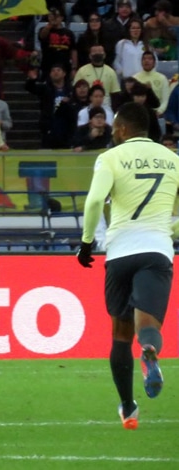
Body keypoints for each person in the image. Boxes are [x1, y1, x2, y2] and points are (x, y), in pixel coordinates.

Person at [77, 102, 178, 430]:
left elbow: (94, 201)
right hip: (156, 250)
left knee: (120, 334)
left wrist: (87, 242)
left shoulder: (109, 158)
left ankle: (128, 406)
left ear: (120, 129)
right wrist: (170, 229)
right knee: (147, 326)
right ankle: (149, 349)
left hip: (120, 252)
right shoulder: (174, 160)